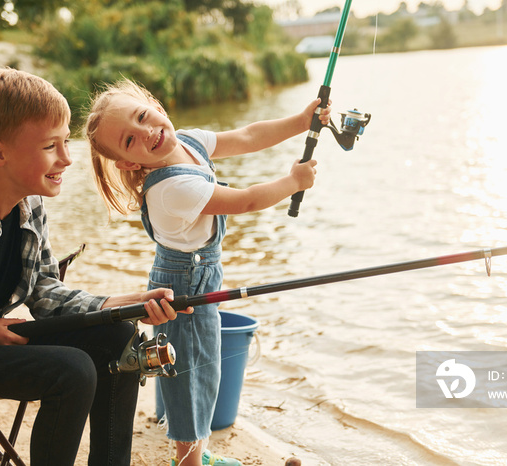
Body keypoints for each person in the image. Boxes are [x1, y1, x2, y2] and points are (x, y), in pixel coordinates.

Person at [0, 66, 193, 466]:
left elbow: (44, 293)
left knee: (120, 338)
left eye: (65, 142)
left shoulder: (31, 201)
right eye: (49, 147)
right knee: (73, 369)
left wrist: (128, 302)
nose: (67, 159)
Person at [84, 78, 331, 466]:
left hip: (198, 275)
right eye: (130, 140)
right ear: (129, 163)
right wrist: (292, 182)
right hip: (184, 286)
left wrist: (301, 122)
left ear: (157, 107)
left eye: (144, 116)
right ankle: (190, 461)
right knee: (193, 375)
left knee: (193, 366)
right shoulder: (171, 189)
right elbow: (246, 201)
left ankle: (194, 453)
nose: (147, 132)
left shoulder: (188, 141)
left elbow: (248, 136)